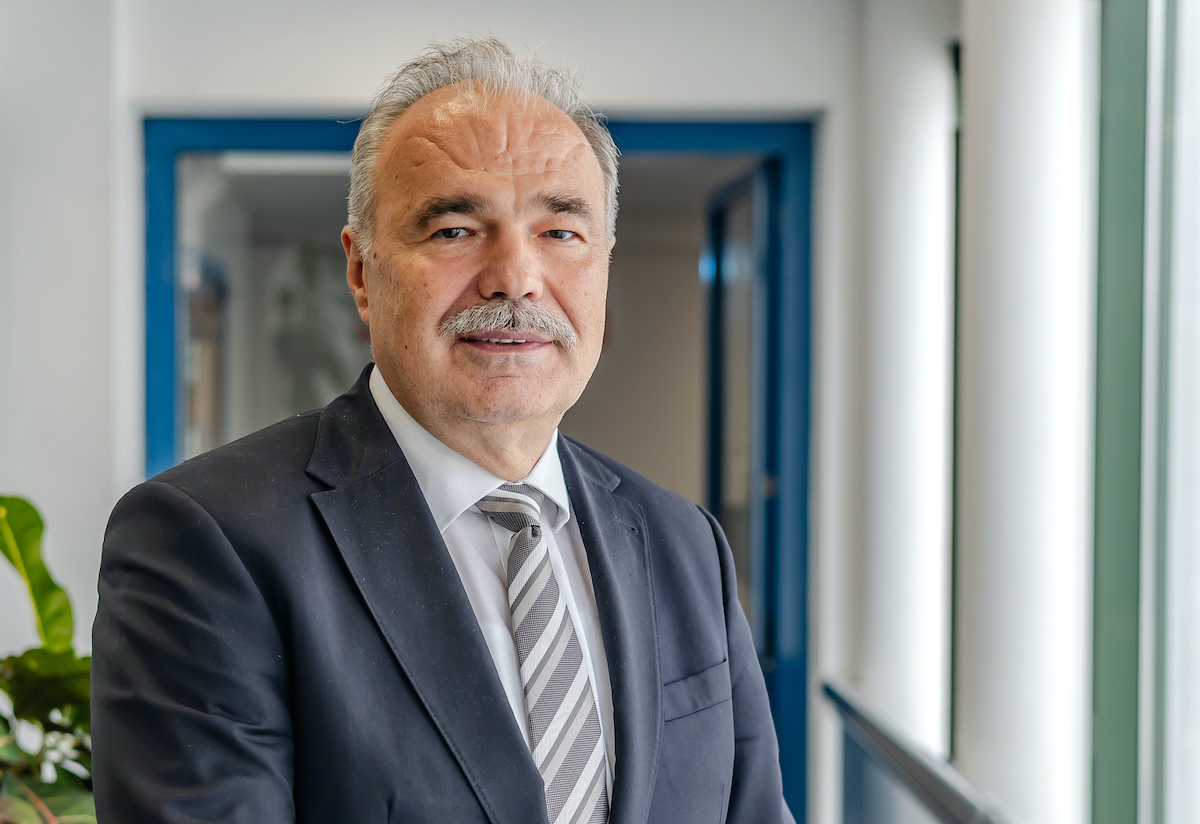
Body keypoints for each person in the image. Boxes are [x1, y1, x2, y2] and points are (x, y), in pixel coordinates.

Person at [92, 37, 793, 824]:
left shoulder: (683, 543)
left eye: (560, 233)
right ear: (362, 271)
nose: (515, 278)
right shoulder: (209, 539)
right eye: (455, 230)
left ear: (602, 265)